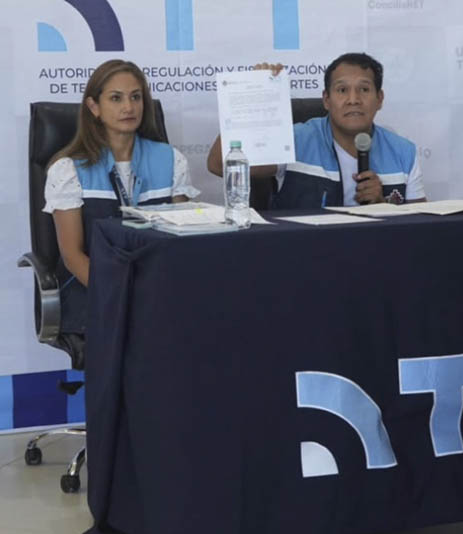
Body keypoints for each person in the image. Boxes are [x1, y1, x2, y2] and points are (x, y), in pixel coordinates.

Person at [43, 60, 198, 357]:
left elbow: (182, 240)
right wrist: (124, 295)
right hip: (97, 291)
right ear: (94, 107)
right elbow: (73, 256)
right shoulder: (68, 170)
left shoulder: (170, 160)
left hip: (159, 289)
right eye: (116, 98)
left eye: (136, 97)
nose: (129, 107)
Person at [207, 52, 425, 208]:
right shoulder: (295, 140)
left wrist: (383, 206)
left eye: (364, 89)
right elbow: (219, 164)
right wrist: (254, 95)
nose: (353, 100)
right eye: (342, 90)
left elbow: (420, 227)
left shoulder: (403, 152)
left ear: (380, 99)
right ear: (326, 100)